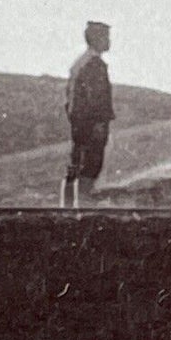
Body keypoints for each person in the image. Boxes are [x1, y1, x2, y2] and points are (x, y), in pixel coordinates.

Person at [63, 21, 114, 208]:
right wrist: (99, 123)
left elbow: (69, 96)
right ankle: (83, 206)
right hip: (92, 124)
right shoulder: (95, 64)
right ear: (97, 39)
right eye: (106, 37)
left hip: (79, 123)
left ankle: (67, 207)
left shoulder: (79, 63)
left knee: (76, 163)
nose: (109, 41)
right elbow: (97, 98)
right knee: (91, 164)